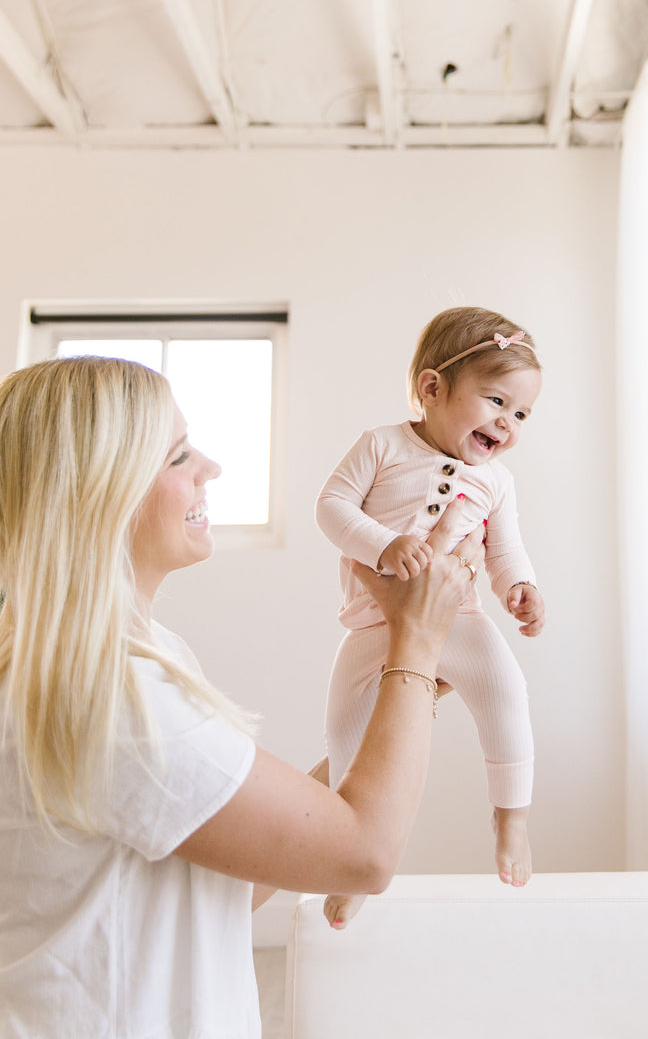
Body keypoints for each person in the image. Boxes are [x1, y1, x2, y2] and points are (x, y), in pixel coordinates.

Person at [0, 355, 482, 1039]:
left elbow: (230, 874)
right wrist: (416, 641)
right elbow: (361, 853)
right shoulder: (114, 692)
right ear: (100, 490)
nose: (210, 469)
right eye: (178, 456)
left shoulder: (124, 661)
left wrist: (408, 690)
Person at [316, 305, 546, 929]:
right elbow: (331, 507)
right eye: (496, 400)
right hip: (372, 625)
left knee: (506, 692)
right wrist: (383, 545)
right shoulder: (382, 446)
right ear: (432, 388)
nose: (508, 422)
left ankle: (511, 820)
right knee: (349, 735)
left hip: (458, 619)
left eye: (521, 413)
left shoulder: (496, 482)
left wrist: (519, 585)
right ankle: (348, 864)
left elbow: (505, 547)